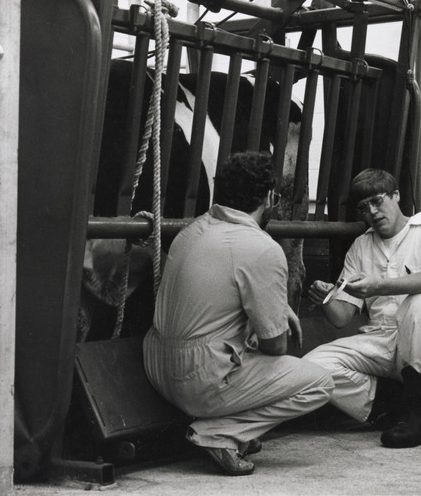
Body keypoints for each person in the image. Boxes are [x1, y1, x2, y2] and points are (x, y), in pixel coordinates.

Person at [143, 151, 334, 476]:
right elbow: (275, 348)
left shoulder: (191, 230)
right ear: (271, 197)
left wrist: (274, 304)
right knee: (318, 383)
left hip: (156, 367)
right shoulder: (263, 247)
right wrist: (272, 311)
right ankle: (219, 433)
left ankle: (230, 426)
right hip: (198, 381)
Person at [304, 168, 421, 449]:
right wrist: (328, 298)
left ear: (396, 195)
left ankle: (417, 420)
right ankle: (389, 408)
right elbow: (342, 318)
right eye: (363, 208)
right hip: (382, 341)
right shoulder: (361, 245)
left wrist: (380, 285)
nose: (372, 212)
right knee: (314, 366)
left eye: (378, 201)